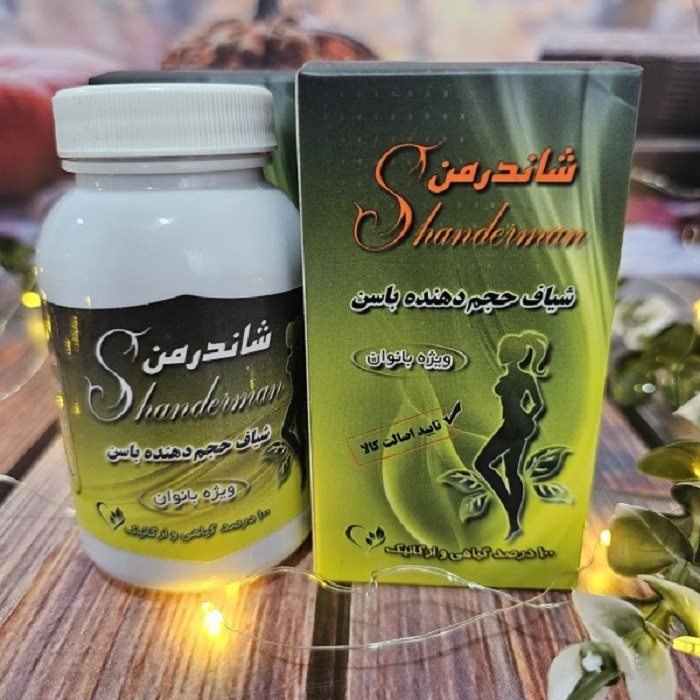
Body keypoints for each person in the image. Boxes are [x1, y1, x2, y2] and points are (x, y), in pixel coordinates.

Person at [473, 331, 550, 541]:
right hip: (517, 425)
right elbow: (538, 405)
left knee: (483, 464)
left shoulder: (521, 378)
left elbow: (539, 404)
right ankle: (513, 518)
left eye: (501, 351)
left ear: (508, 354)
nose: (499, 354)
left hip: (513, 427)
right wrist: (528, 419)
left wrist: (527, 419)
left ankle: (510, 507)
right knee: (512, 472)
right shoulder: (522, 377)